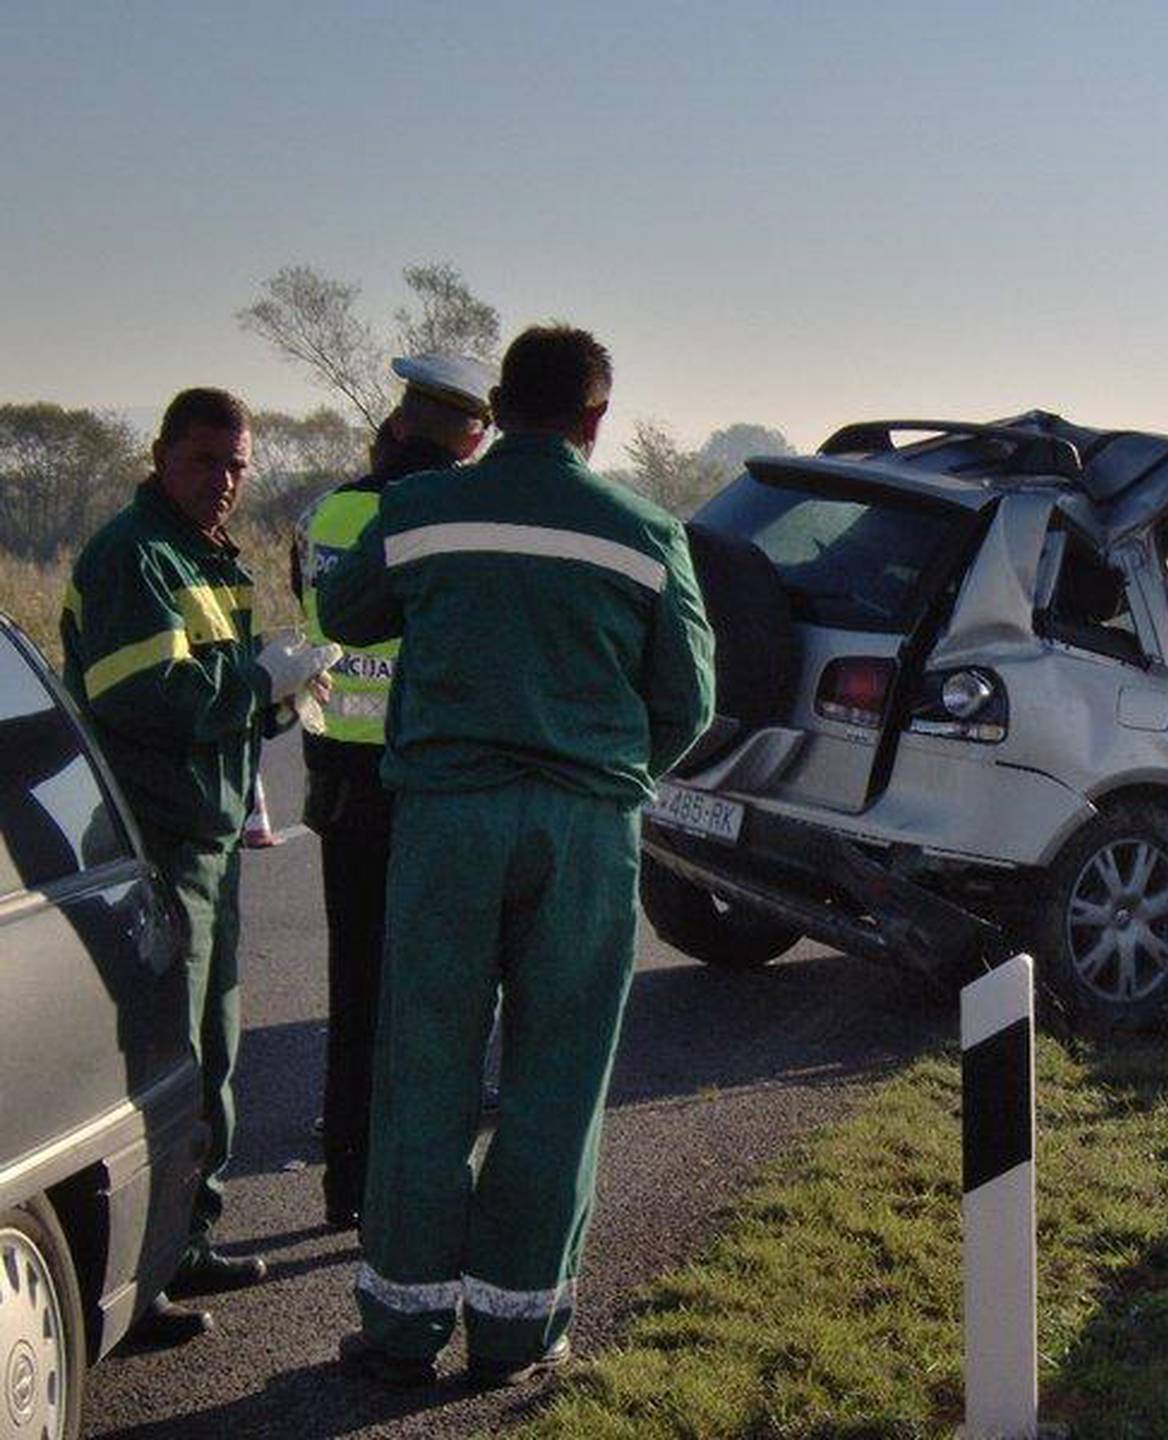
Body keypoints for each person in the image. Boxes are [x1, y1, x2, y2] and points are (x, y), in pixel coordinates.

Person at [320, 325, 714, 1387]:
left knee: (426, 1066)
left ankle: (401, 1327)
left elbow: (339, 610)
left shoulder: (422, 509)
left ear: (496, 406)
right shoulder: (644, 532)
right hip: (585, 831)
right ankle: (515, 1331)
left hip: (448, 820)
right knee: (557, 1075)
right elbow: (690, 699)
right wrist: (610, 773)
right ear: (595, 419)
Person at [60, 388, 336, 1340]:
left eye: (236, 467)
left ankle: (186, 1239)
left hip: (209, 837)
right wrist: (259, 679)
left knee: (212, 1048)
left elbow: (211, 700)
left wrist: (278, 694)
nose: (222, 482)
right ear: (160, 455)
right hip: (160, 838)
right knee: (171, 1055)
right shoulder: (131, 556)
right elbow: (148, 699)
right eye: (204, 462)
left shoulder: (204, 557)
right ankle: (141, 1278)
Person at [291, 355, 494, 1231]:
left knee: (356, 986)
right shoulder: (449, 516)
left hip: (339, 775)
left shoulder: (328, 509)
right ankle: (408, 1187)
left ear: (400, 422)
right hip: (425, 778)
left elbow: (312, 607)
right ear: (474, 436)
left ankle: (347, 1181)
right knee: (438, 990)